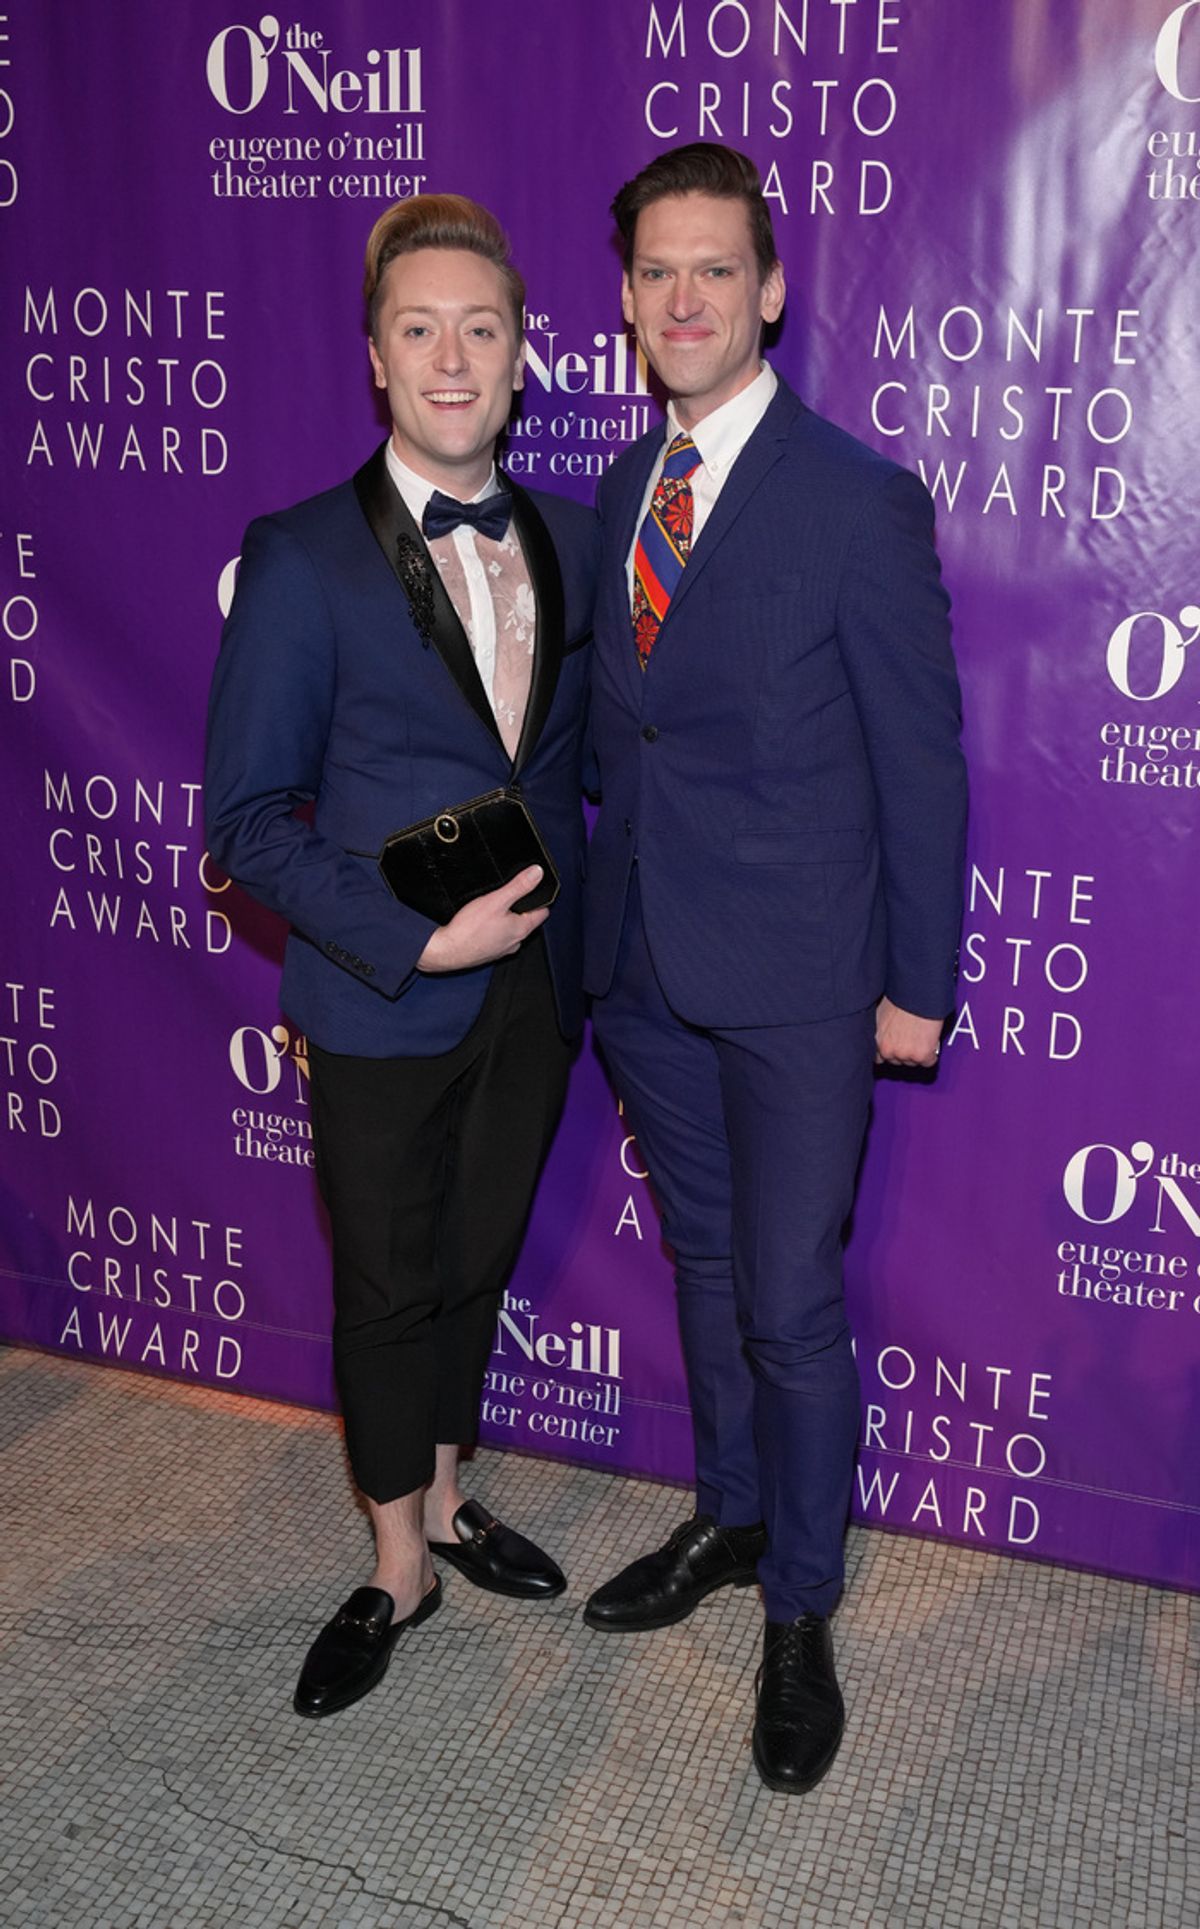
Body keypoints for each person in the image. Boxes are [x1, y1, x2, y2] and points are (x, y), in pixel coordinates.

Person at [581, 143, 967, 1793]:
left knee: (795, 1303)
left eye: (715, 271)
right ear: (625, 299)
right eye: (658, 273)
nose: (685, 299)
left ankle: (798, 1604)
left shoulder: (855, 496)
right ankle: (732, 1519)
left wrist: (919, 981)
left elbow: (924, 760)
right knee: (710, 1270)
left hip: (807, 970)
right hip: (644, 963)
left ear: (773, 290)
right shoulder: (618, 488)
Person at [205, 194, 598, 1718]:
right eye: (420, 328)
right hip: (381, 988)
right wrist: (414, 933)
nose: (453, 358)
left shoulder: (568, 532)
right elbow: (243, 818)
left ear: (520, 355)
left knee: (472, 1261)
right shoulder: (299, 558)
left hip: (537, 985)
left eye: (481, 329)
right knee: (383, 1282)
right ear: (377, 357)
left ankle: (442, 1492)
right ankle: (393, 1564)